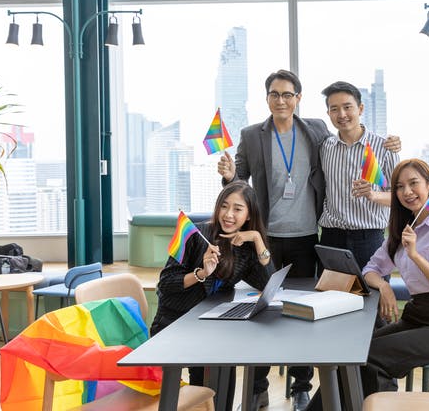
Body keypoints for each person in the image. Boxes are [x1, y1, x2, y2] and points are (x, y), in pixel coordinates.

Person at [217, 70, 400, 410]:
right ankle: (258, 386)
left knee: (306, 314)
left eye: (288, 94)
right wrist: (229, 175)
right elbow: (238, 179)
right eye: (275, 94)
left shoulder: (316, 131)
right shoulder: (254, 135)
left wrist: (391, 149)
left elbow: (395, 182)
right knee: (265, 312)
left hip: (308, 238)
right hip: (267, 239)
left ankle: (307, 384)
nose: (281, 100)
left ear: (298, 99)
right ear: (267, 98)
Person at [150, 181, 274, 411]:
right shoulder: (196, 234)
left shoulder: (244, 246)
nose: (228, 215)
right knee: (216, 362)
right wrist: (201, 273)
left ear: (248, 215)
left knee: (223, 362)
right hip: (175, 324)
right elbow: (166, 284)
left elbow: (268, 285)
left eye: (237, 209)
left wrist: (257, 238)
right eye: (224, 206)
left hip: (209, 324)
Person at [360, 158, 429, 396]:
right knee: (356, 351)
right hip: (417, 317)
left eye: (413, 183)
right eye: (399, 186)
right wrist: (384, 287)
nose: (406, 192)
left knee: (371, 357)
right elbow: (369, 270)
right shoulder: (403, 228)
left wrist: (416, 255)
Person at [318, 80, 399, 270]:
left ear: (360, 108)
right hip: (331, 238)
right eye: (334, 109)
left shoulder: (384, 147)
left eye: (347, 107)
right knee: (329, 297)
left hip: (369, 238)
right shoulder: (324, 147)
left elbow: (398, 197)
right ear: (328, 113)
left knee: (371, 297)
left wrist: (373, 194)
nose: (342, 115)